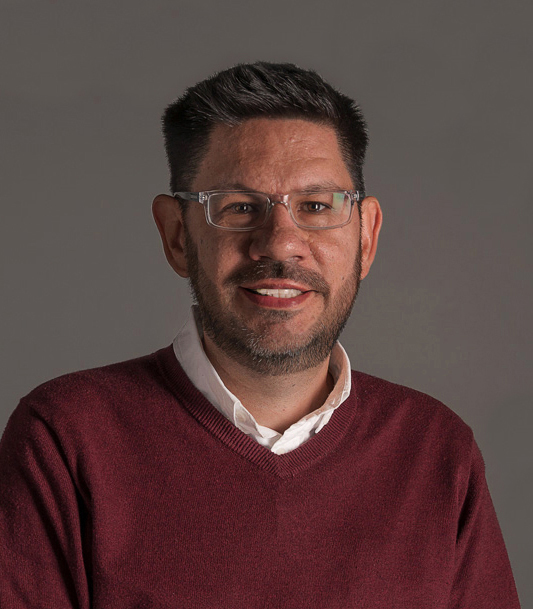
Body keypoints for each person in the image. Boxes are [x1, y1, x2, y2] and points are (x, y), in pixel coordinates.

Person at [0, 62, 521, 608]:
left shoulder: (436, 450)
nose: (279, 243)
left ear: (365, 238)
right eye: (240, 208)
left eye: (315, 206)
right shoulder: (66, 438)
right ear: (177, 236)